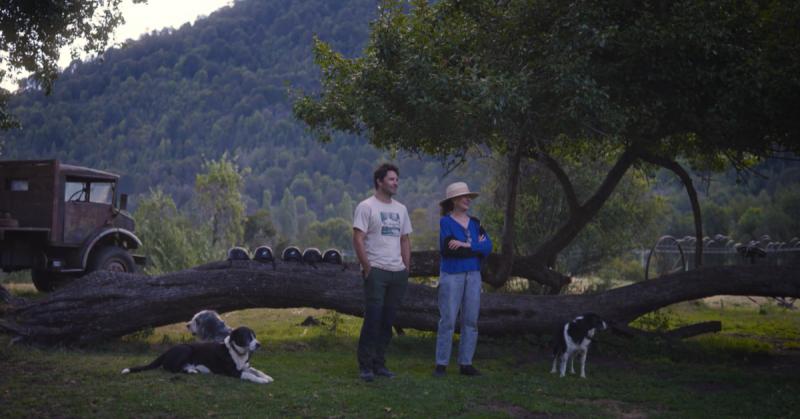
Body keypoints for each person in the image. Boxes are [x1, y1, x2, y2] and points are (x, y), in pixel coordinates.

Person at [353, 163, 412, 382]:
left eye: (397, 179)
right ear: (379, 181)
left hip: (397, 272)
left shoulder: (401, 209)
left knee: (388, 320)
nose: (396, 183)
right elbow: (358, 238)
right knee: (373, 318)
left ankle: (380, 364)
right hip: (376, 270)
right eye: (391, 179)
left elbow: (405, 239)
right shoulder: (366, 207)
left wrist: (406, 268)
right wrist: (367, 267)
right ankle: (365, 365)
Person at [433, 182, 492, 377]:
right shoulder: (446, 222)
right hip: (452, 275)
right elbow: (449, 249)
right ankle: (441, 364)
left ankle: (466, 364)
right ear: (453, 201)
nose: (468, 199)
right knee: (448, 320)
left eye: (468, 197)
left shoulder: (475, 223)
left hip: (474, 275)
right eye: (463, 197)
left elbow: (488, 247)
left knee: (470, 320)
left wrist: (467, 245)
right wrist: (476, 246)